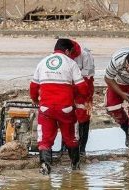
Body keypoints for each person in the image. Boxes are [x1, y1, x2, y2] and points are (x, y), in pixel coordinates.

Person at [30, 39, 88, 174]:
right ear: (67, 51)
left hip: (46, 109)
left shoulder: (43, 62)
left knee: (45, 140)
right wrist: (81, 99)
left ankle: (45, 165)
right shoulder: (71, 63)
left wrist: (35, 99)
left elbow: (33, 87)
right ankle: (75, 166)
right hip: (65, 109)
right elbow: (83, 88)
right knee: (71, 138)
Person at [69, 40, 95, 156]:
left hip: (85, 86)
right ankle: (69, 146)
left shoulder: (85, 55)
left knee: (83, 116)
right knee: (69, 115)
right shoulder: (65, 55)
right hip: (70, 86)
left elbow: (87, 74)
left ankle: (82, 148)